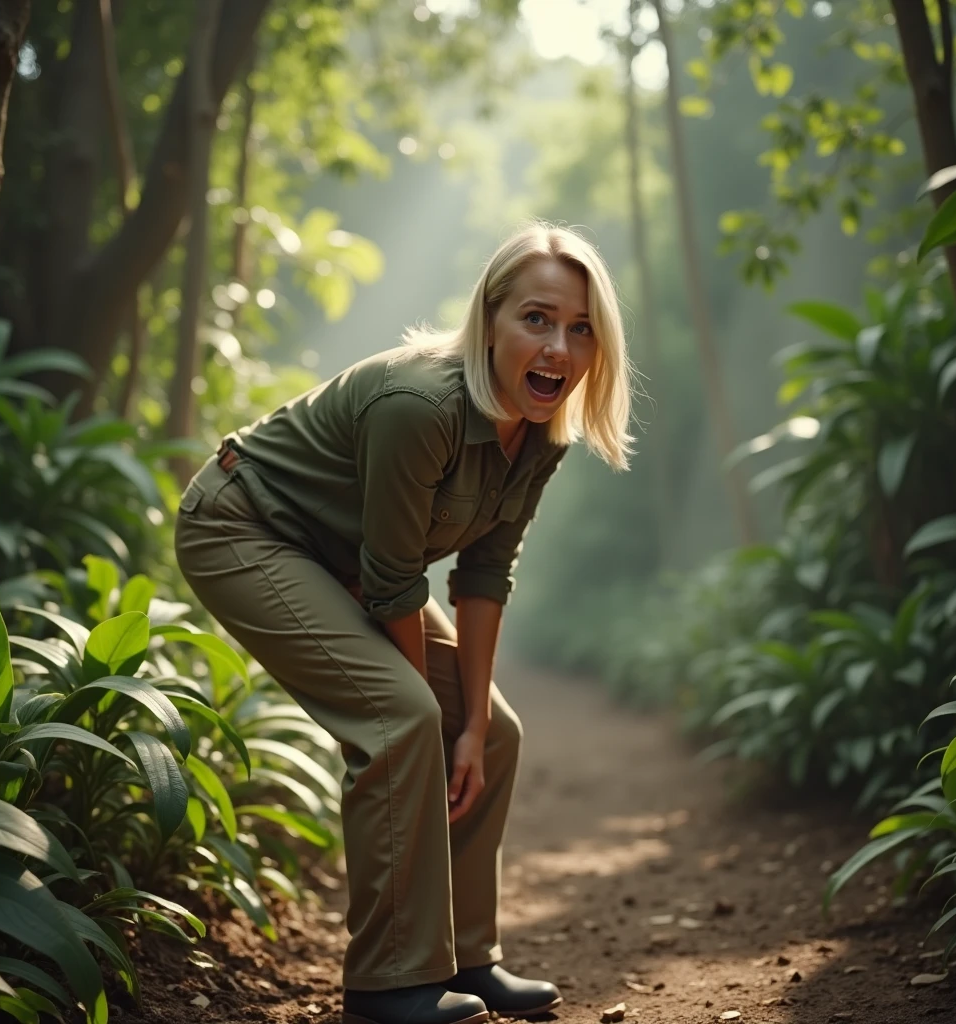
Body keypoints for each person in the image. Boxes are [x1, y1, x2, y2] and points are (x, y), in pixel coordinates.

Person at [174, 221, 634, 1024]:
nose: (559, 347)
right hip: (245, 527)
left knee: (493, 733)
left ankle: (463, 959)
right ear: (489, 320)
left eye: (581, 328)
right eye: (537, 319)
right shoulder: (420, 405)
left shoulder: (541, 431)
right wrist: (428, 716)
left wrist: (470, 726)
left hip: (342, 558)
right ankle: (388, 986)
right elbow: (394, 584)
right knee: (400, 715)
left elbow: (485, 574)